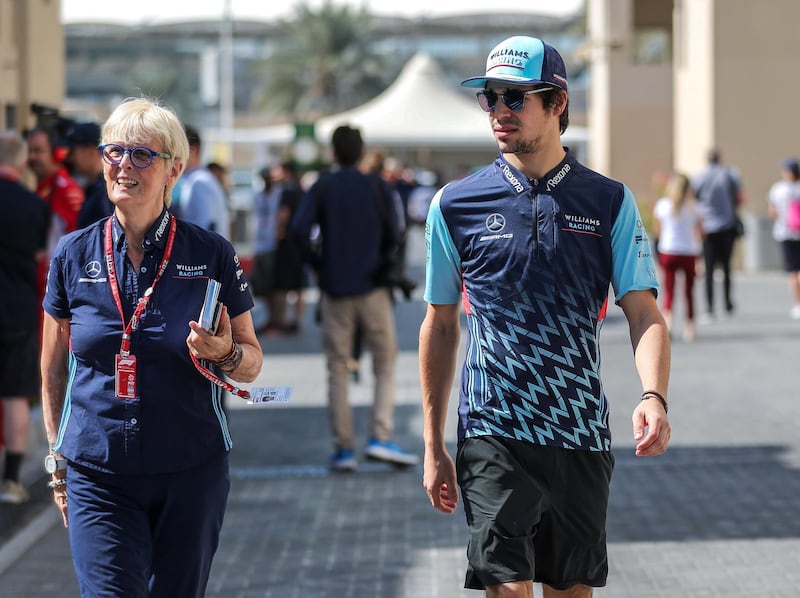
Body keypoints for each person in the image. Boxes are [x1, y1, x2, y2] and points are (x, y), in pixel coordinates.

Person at [419, 36, 671, 597]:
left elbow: (643, 312)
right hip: (492, 430)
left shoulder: (608, 202)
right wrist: (434, 444)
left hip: (579, 431)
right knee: (507, 588)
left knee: (570, 592)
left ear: (557, 103)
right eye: (490, 98)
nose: (500, 111)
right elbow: (439, 325)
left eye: (516, 97)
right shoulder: (453, 205)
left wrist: (653, 394)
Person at [40, 97, 263, 597]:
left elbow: (251, 363)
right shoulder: (73, 254)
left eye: (142, 154)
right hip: (98, 471)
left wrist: (224, 354)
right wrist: (57, 461)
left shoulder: (210, 253)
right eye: (114, 152)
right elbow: (53, 371)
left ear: (174, 170)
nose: (124, 165)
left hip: (191, 468)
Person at [292, 125, 419, 471]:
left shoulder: (323, 186)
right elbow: (396, 233)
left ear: (333, 153)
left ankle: (343, 449)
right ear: (361, 152)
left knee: (336, 368)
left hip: (334, 290)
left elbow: (299, 230)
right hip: (374, 288)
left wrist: (319, 265)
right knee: (385, 363)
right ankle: (379, 435)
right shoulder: (376, 186)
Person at [0, 131, 50, 504]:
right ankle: (11, 481)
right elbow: (39, 255)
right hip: (17, 308)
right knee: (16, 393)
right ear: (20, 163)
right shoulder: (35, 205)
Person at [691, 148, 745, 321]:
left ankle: (709, 307)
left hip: (707, 226)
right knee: (727, 266)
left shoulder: (699, 177)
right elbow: (740, 197)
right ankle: (727, 303)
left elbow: (693, 198)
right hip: (727, 225)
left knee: (708, 267)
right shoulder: (730, 174)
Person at [652, 172, 703, 341]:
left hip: (668, 250)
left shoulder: (663, 205)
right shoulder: (695, 207)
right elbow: (700, 233)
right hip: (688, 252)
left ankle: (669, 323)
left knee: (669, 290)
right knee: (688, 291)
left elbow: (657, 232)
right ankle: (690, 327)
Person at [26, 126, 85, 254]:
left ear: (56, 153)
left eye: (38, 151)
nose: (31, 157)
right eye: (29, 151)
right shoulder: (45, 187)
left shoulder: (66, 190)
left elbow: (79, 242)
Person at [272, 160, 308, 334]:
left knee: (283, 285)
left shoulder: (287, 190)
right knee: (300, 285)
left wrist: (278, 233)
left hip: (288, 243)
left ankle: (282, 320)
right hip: (302, 242)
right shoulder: (301, 190)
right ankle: (297, 321)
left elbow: (283, 214)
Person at [178, 124, 230, 239]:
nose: (174, 155)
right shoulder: (195, 179)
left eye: (178, 148)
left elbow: (207, 228)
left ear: (193, 149)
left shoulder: (199, 182)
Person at [249, 165, 283, 335]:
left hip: (272, 244)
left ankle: (275, 320)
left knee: (272, 287)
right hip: (260, 244)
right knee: (261, 286)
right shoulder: (258, 194)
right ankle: (269, 319)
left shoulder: (278, 194)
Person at [767, 157, 800, 319]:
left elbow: (772, 212)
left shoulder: (778, 189)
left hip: (785, 233)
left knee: (792, 272)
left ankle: (797, 304)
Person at [67, 122, 114, 228]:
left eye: (73, 152)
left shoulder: (106, 194)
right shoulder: (96, 188)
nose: (70, 159)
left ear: (91, 152)